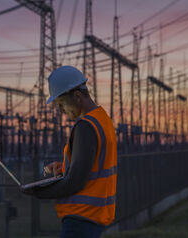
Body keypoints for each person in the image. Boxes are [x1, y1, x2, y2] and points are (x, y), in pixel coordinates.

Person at [21, 66, 117, 238]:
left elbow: (76, 182)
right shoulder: (103, 120)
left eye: (61, 104)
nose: (61, 111)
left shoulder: (85, 127)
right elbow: (91, 168)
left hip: (80, 220)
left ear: (78, 97)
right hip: (93, 218)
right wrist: (65, 168)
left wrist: (39, 191)